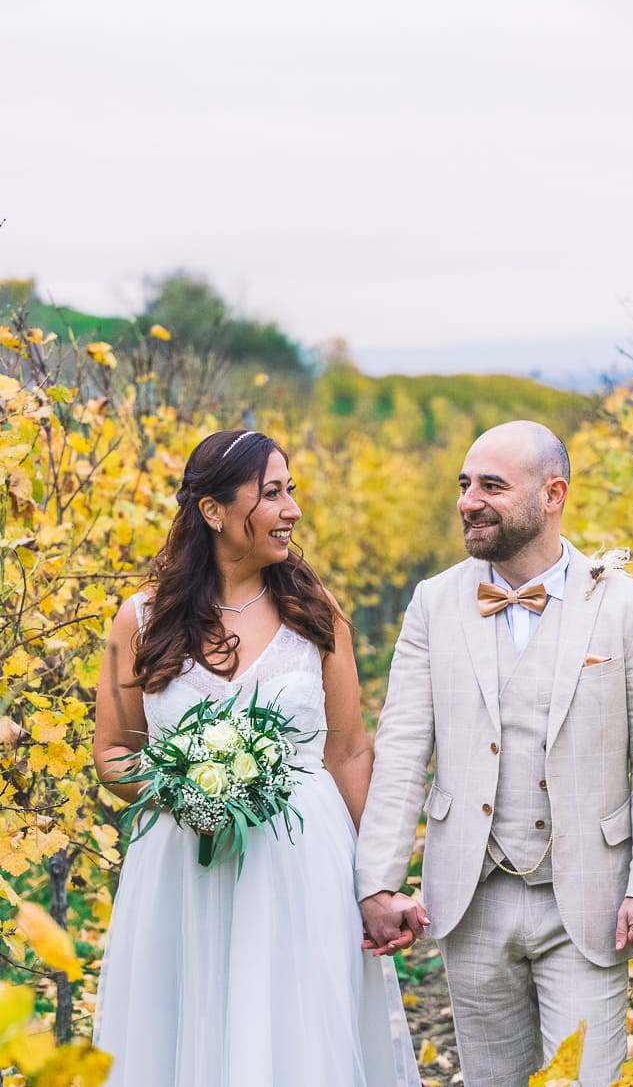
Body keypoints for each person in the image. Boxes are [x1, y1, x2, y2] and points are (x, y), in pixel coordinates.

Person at [356, 420, 633, 1087]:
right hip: (469, 892)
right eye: (462, 484)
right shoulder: (433, 603)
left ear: (552, 494)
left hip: (588, 899)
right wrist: (379, 879)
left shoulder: (630, 609)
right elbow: (400, 748)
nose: (467, 500)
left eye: (490, 486)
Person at [93, 429, 420, 1087]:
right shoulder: (141, 619)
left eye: (290, 491)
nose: (292, 509)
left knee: (293, 1042)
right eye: (272, 493)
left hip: (300, 863)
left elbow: (350, 749)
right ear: (212, 511)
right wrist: (181, 793)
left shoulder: (314, 612)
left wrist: (378, 881)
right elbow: (113, 754)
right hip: (181, 868)